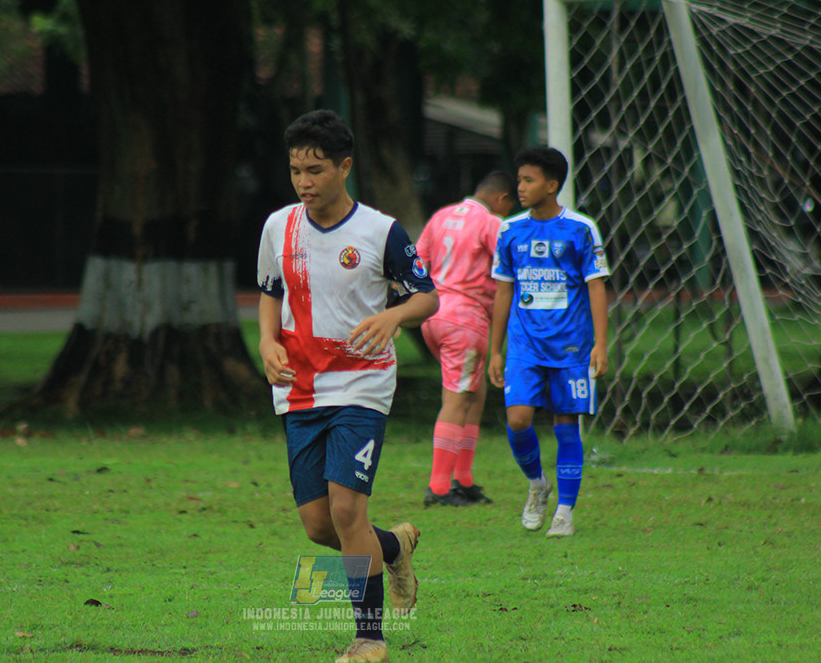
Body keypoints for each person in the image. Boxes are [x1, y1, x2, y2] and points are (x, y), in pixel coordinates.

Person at [257, 109, 439, 663]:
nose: (304, 182)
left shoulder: (379, 232)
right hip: (300, 389)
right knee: (318, 527)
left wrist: (394, 317)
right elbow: (269, 290)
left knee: (345, 513)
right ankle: (394, 545)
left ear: (344, 167)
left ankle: (369, 638)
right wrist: (267, 343)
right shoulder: (277, 227)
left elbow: (426, 295)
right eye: (295, 171)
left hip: (362, 385)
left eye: (315, 170)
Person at [487, 146, 609, 537]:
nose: (519, 187)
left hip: (571, 347)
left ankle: (565, 512)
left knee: (565, 424)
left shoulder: (581, 229)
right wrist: (495, 349)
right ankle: (538, 485)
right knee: (517, 418)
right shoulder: (510, 230)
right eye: (519, 179)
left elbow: (596, 288)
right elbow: (504, 291)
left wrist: (600, 343)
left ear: (551, 185)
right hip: (524, 346)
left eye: (528, 180)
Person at [416, 171, 515, 507]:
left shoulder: (441, 217)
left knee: (474, 392)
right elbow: (506, 271)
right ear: (502, 199)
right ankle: (440, 489)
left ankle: (464, 480)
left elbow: (418, 263)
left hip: (433, 316)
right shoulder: (491, 224)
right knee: (457, 399)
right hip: (465, 320)